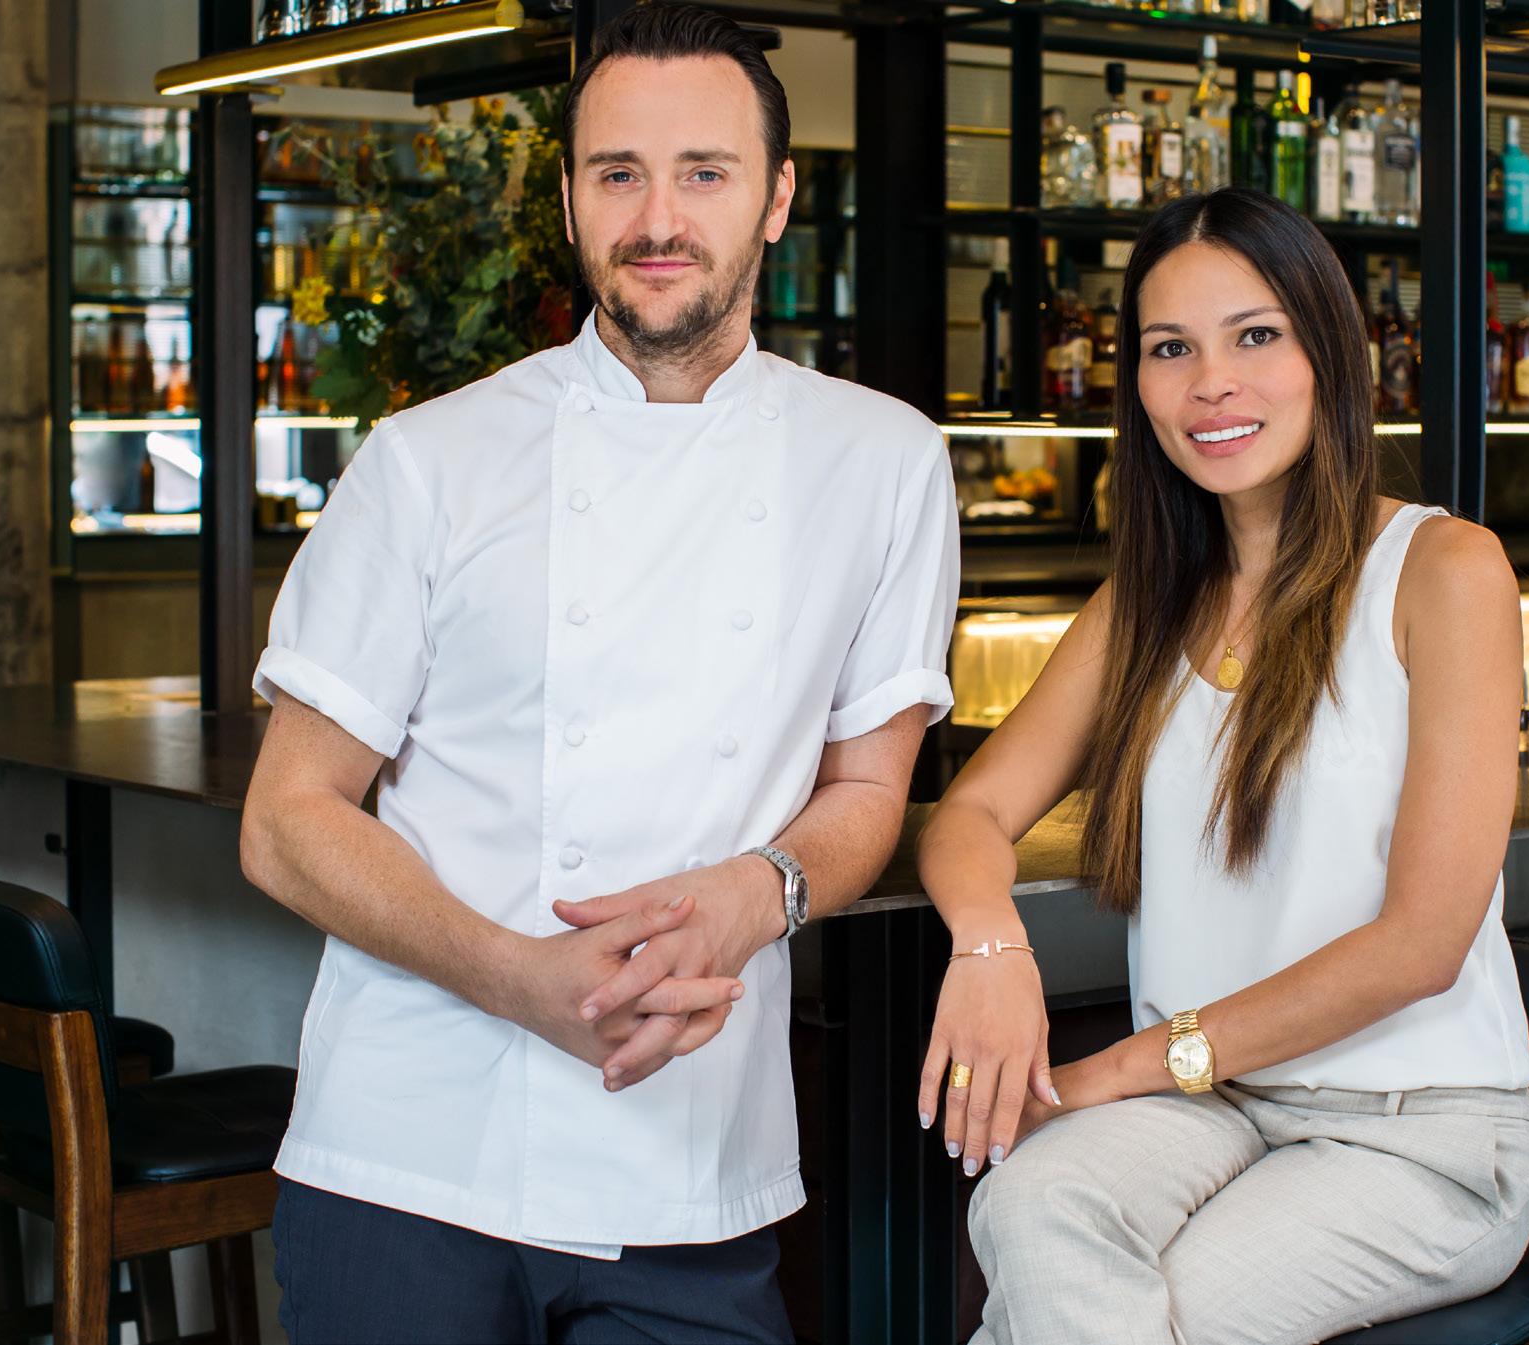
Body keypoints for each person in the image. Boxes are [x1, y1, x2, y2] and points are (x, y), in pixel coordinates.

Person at [240, 6, 960, 1340]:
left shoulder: (886, 462)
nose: (657, 219)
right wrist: (518, 976)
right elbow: (286, 824)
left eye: (705, 172)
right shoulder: (429, 461)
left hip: (691, 1163)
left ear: (778, 197)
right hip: (411, 1154)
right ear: (570, 201)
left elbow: (870, 788)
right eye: (617, 173)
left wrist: (761, 891)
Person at [915, 188, 1529, 1345]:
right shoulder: (1143, 606)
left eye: (1254, 335)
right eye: (1170, 349)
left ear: (1330, 353)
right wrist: (989, 947)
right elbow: (971, 813)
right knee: (1027, 1203)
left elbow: (1423, 940)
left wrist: (1119, 1068)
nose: (1211, 383)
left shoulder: (1443, 569)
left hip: (1414, 1133)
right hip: (1209, 1112)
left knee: (1141, 1314)